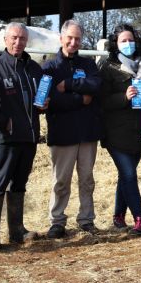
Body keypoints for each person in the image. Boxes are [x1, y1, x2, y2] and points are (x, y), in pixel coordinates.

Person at [0, 22, 42, 249]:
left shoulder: (34, 69)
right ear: (6, 40)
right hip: (5, 137)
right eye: (14, 38)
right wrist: (2, 121)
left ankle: (16, 230)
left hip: (29, 136)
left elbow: (40, 100)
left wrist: (44, 105)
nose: (18, 42)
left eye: (23, 39)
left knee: (20, 183)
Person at [43, 19, 102, 238]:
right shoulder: (50, 67)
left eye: (77, 38)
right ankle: (57, 220)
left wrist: (68, 85)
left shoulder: (89, 65)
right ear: (61, 38)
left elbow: (96, 86)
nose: (73, 42)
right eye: (70, 37)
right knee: (61, 180)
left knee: (87, 179)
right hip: (62, 132)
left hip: (87, 133)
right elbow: (49, 99)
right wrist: (80, 99)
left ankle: (86, 219)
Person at [99, 23, 141, 236]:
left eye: (131, 40)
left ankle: (118, 215)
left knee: (126, 176)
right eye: (123, 40)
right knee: (129, 174)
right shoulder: (108, 67)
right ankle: (139, 219)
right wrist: (123, 97)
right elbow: (101, 101)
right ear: (116, 44)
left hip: (139, 132)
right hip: (115, 133)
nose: (128, 44)